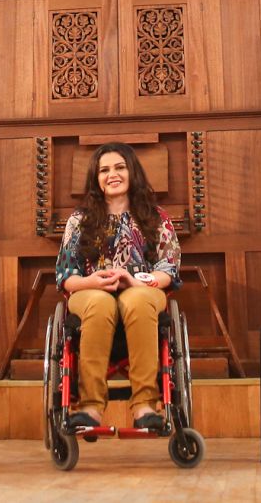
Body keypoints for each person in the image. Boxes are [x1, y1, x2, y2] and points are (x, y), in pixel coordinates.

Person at [54, 142, 181, 434]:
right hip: (89, 291)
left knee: (137, 299)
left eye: (120, 167)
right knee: (100, 303)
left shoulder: (156, 217)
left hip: (142, 289)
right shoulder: (79, 220)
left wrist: (135, 281)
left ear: (132, 172)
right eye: (104, 170)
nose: (112, 175)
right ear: (96, 178)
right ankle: (89, 406)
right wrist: (92, 282)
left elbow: (168, 269)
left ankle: (145, 405)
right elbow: (65, 276)